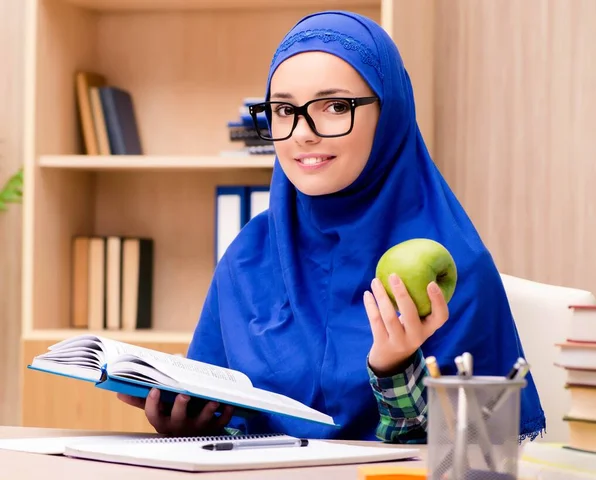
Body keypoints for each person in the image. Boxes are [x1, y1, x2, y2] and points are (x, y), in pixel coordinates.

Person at [118, 10, 546, 443]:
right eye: (284, 110)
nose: (302, 133)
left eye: (336, 106)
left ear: (390, 114)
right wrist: (194, 424)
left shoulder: (456, 265)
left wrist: (394, 367)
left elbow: (469, 451)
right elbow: (234, 422)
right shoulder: (251, 254)